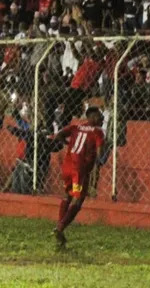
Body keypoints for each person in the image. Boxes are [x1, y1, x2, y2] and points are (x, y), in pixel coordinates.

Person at [48, 106, 105, 248]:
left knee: (67, 196)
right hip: (79, 170)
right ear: (90, 117)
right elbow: (99, 153)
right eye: (99, 116)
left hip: (67, 167)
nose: (102, 118)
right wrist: (97, 168)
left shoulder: (76, 127)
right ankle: (60, 228)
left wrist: (67, 144)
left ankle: (60, 229)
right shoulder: (98, 132)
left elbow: (59, 135)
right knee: (78, 201)